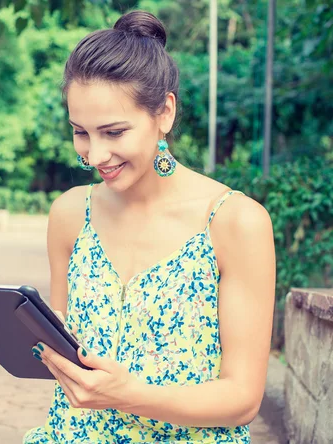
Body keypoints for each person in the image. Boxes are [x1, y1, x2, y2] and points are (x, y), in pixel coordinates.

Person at [23, 10, 275, 444]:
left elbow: (243, 398)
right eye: (80, 132)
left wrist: (130, 394)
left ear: (165, 113)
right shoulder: (68, 214)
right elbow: (66, 348)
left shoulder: (235, 222)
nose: (95, 155)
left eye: (114, 132)